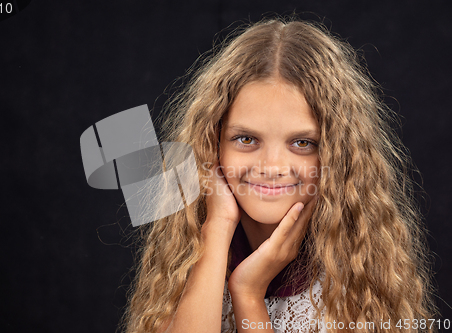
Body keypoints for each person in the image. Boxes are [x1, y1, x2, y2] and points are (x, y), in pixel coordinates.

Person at [122, 17, 437, 333]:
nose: (272, 167)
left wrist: (248, 294)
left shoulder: (359, 278)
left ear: (336, 155)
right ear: (212, 145)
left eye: (302, 143)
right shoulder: (186, 252)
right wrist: (217, 229)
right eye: (246, 139)